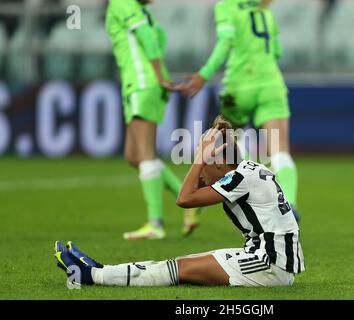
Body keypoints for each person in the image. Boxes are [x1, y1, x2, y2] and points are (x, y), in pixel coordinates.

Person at [53, 116, 305, 287]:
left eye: (203, 165)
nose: (199, 173)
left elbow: (184, 198)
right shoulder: (247, 171)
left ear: (217, 163)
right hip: (269, 260)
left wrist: (198, 160)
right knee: (179, 265)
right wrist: (202, 159)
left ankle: (92, 275)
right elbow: (192, 190)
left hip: (269, 266)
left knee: (178, 269)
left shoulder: (239, 178)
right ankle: (98, 270)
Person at [177, 0, 300, 221]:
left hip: (238, 85)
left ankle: (241, 196)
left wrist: (204, 74)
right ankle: (289, 204)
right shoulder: (264, 12)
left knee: (234, 147)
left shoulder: (227, 7)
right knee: (280, 151)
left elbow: (225, 42)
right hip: (271, 84)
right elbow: (277, 51)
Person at [105, 0, 198, 240]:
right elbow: (160, 37)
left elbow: (147, 37)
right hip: (148, 84)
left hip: (141, 83)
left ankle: (155, 223)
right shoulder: (144, 11)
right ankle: (187, 196)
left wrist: (156, 75)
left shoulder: (121, 3)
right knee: (133, 155)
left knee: (144, 154)